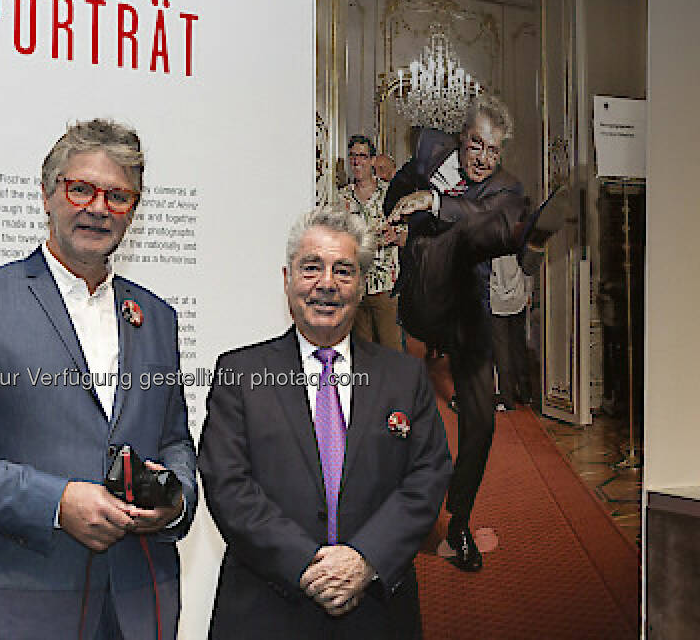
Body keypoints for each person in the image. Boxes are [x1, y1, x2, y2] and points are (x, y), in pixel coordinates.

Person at [0, 118, 197, 639]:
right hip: (24, 607)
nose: (98, 208)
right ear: (47, 195)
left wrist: (174, 502)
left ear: (134, 211)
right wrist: (55, 503)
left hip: (139, 605)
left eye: (118, 196)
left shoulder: (156, 317)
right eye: (80, 188)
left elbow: (174, 442)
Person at [198, 206, 452, 639]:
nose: (327, 284)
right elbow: (228, 486)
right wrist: (309, 566)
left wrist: (364, 559)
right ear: (287, 279)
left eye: (344, 271)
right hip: (266, 607)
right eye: (311, 268)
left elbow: (428, 475)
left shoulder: (404, 376)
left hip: (377, 610)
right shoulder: (240, 373)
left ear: (362, 284)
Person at [384, 95, 568, 572]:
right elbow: (399, 193)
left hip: (469, 306)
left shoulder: (506, 187)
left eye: (494, 150)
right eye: (476, 145)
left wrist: (436, 202)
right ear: (459, 137)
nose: (485, 158)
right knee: (398, 417)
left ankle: (458, 520)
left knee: (482, 423)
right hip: (422, 302)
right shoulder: (427, 151)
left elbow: (478, 218)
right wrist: (404, 220)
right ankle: (392, 511)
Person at [343, 135, 403, 352]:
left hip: (385, 287)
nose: (357, 161)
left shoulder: (390, 193)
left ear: (372, 160)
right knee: (362, 356)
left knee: (392, 352)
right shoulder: (343, 198)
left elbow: (408, 234)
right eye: (353, 156)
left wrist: (395, 236)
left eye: (362, 156)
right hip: (356, 288)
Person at [490, 254, 533, 411]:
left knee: (501, 350)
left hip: (497, 300)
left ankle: (507, 398)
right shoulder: (518, 238)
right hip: (518, 296)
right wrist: (528, 292)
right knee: (518, 347)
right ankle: (525, 393)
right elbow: (528, 268)